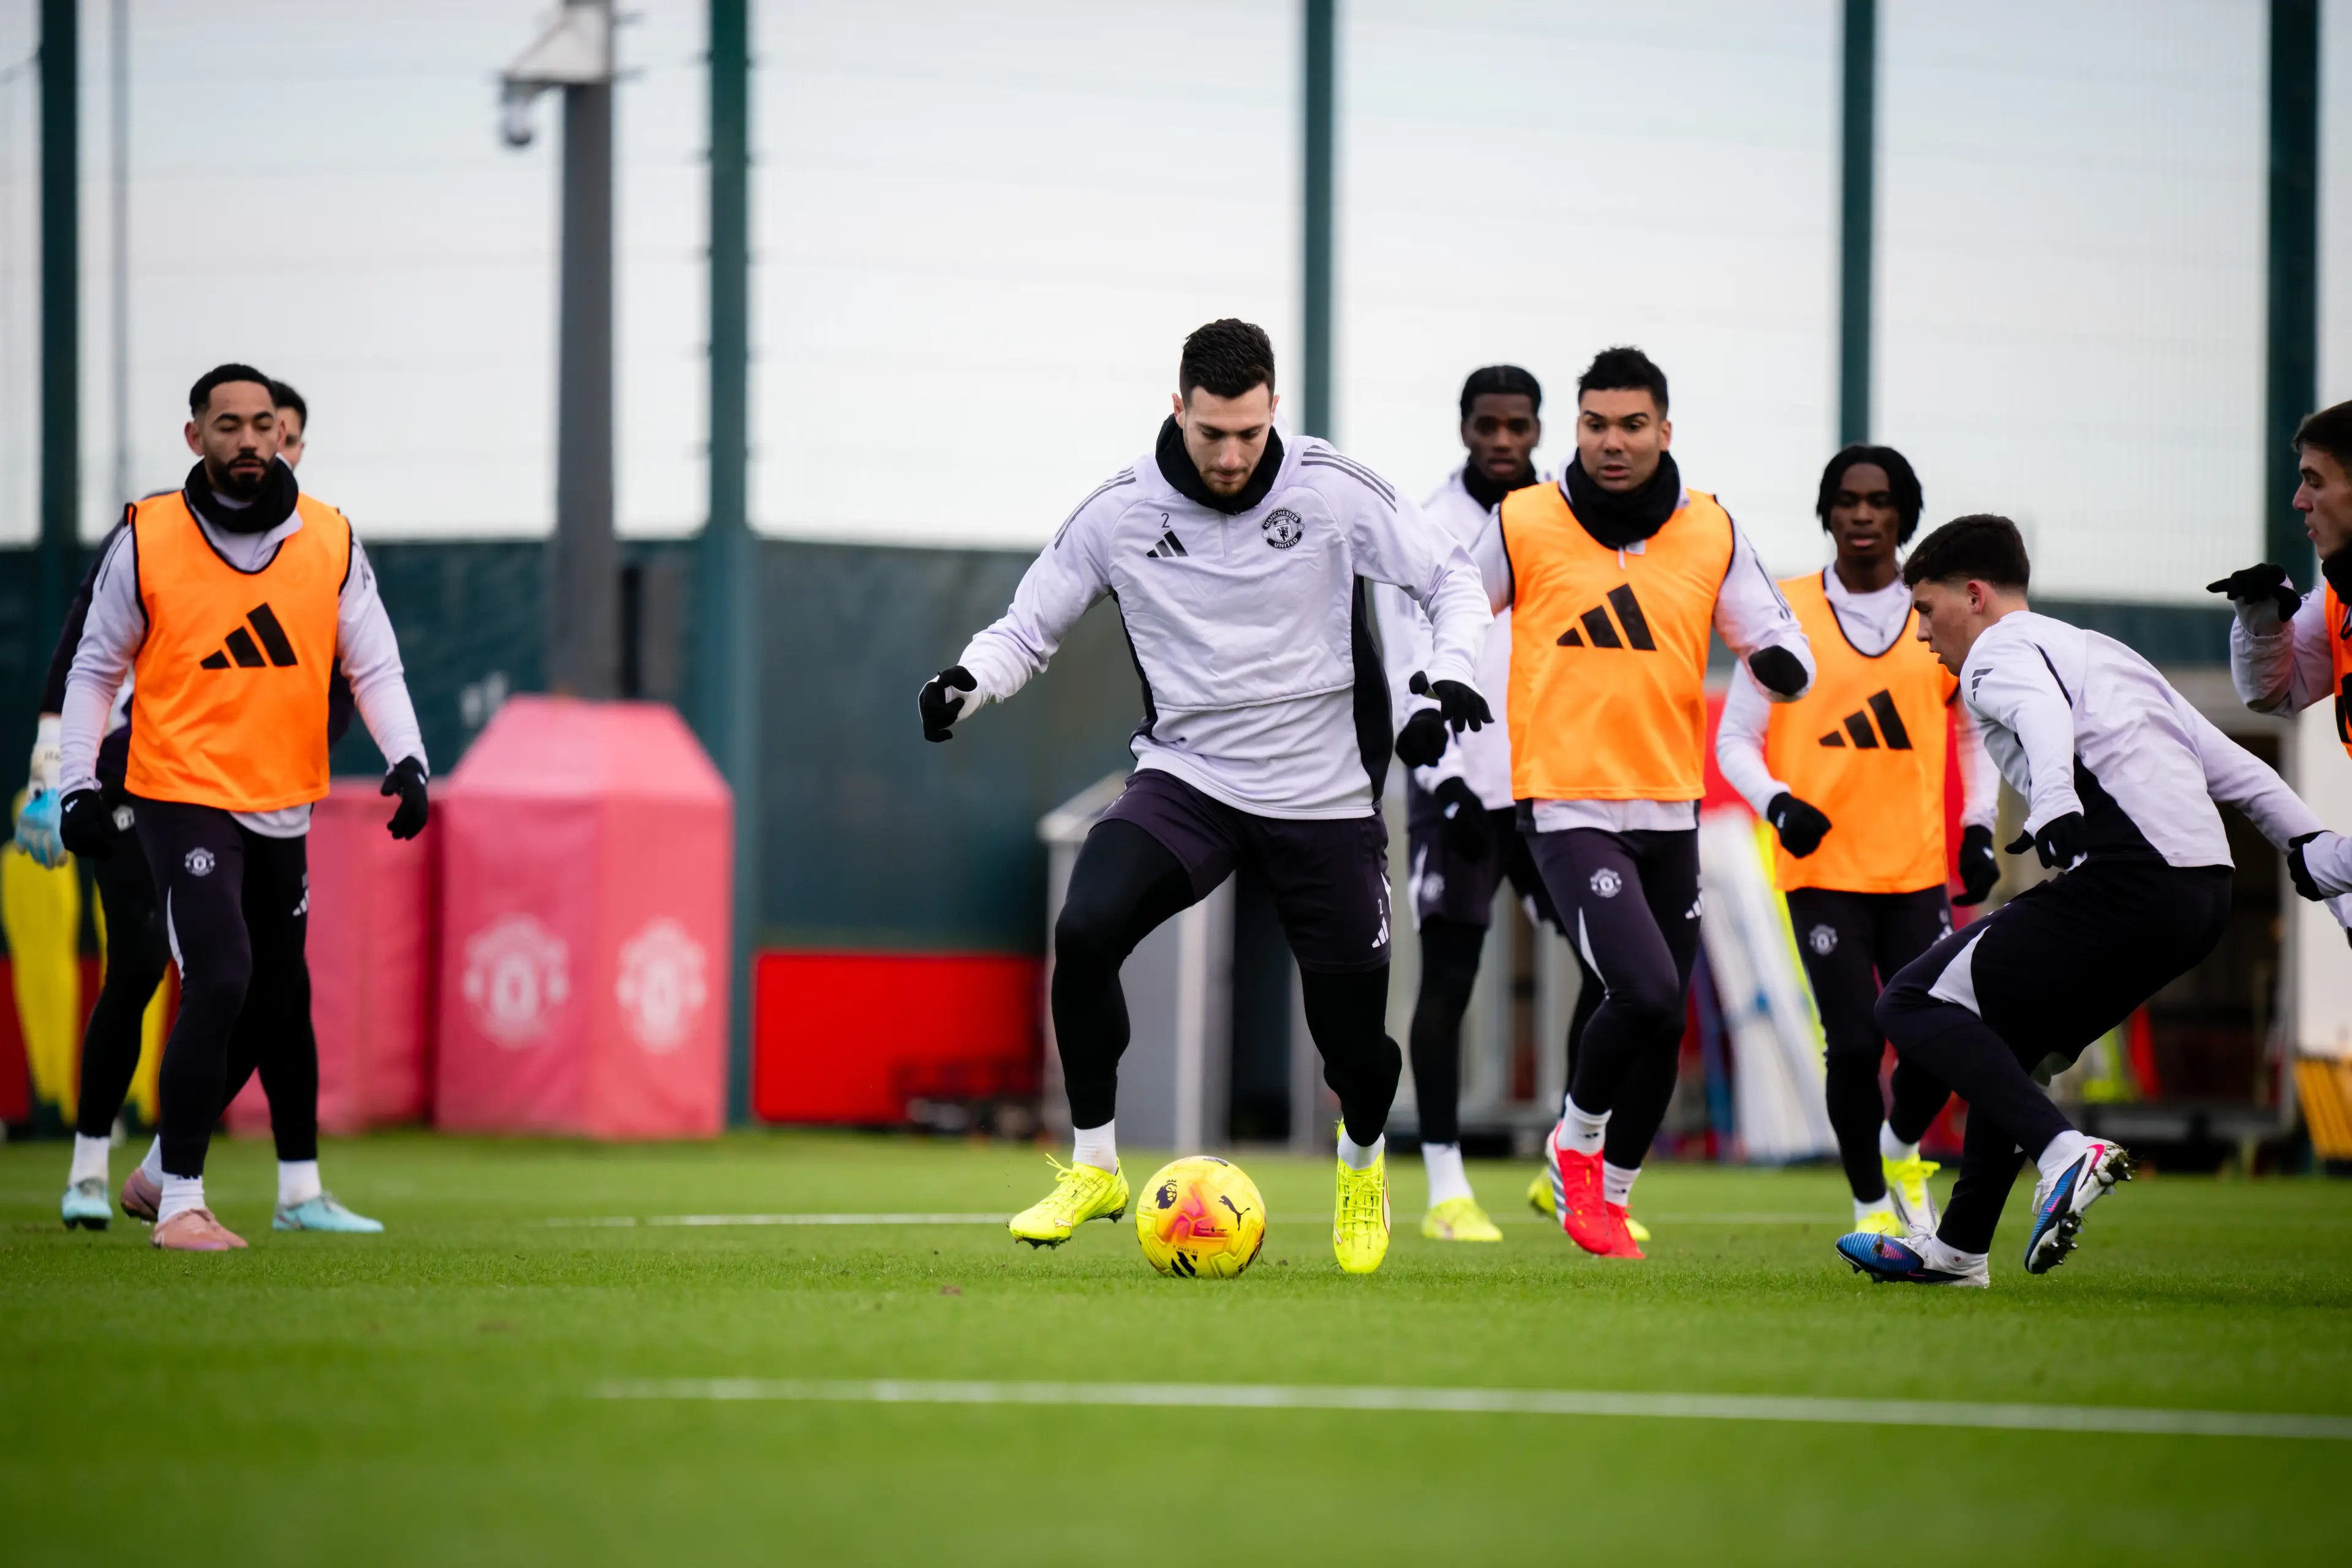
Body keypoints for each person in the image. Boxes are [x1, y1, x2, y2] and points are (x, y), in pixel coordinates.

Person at [921, 319, 1492, 1275]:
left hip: (1326, 793)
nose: (1231, 455)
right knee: (1089, 925)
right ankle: (1096, 1164)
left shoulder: (1333, 490)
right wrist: (968, 682)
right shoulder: (1119, 513)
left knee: (1353, 1048)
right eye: (1211, 433)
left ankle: (1362, 1163)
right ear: (1177, 411)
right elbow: (1028, 627)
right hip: (1191, 777)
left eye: (1249, 433)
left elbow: (1450, 578)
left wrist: (1449, 671)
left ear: (1276, 412)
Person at [1842, 516, 2350, 1287]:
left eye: (1925, 608)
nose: (1921, 632)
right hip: (2198, 900)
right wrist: (2310, 844)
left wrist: (2052, 804)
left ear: (1974, 596)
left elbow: (2042, 719)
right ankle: (1957, 1250)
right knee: (2005, 1041)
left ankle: (2062, 1152)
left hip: (2132, 880)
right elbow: (2231, 767)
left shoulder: (1994, 653)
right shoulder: (2108, 652)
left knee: (1907, 1003)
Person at [55, 363, 430, 1251]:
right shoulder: (149, 537)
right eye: (228, 425)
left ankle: (152, 1173)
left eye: (263, 423)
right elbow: (93, 669)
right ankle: (178, 1200)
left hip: (281, 800)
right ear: (196, 438)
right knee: (217, 973)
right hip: (177, 793)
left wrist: (409, 759)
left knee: (268, 1000)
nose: (250, 439)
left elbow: (373, 663)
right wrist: (72, 780)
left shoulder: (330, 538)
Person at [1472, 346, 1815, 1259]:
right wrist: (1442, 680)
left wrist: (1783, 667)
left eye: (1631, 426)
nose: (1612, 443)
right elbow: (1454, 602)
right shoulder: (1525, 520)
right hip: (1565, 799)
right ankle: (1574, 1147)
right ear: (1574, 429)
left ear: (1666, 432)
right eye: (1595, 425)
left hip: (1672, 806)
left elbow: (1776, 635)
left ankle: (1612, 1197)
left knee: (1664, 1023)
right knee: (1648, 986)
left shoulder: (1711, 530)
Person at [1714, 445, 1999, 1235]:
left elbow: (1976, 729)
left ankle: (1904, 1161)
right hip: (1822, 871)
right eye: (1848, 500)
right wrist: (1778, 804)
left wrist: (1977, 829)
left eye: (1879, 501)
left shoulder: (1935, 612)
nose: (1863, 514)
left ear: (1905, 513)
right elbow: (1736, 739)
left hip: (1915, 871)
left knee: (1933, 1040)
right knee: (1852, 1041)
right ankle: (1872, 1204)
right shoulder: (1783, 611)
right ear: (1828, 511)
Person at [1374, 365, 1618, 1243]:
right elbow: (1406, 652)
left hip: (1553, 785)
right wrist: (1438, 776)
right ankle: (1446, 1190)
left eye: (1519, 425)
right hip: (1457, 790)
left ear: (1541, 429)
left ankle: (1568, 1157)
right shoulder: (1422, 529)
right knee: (1449, 982)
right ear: (1466, 426)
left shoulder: (1562, 522)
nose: (1504, 440)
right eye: (1489, 425)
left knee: (1612, 973)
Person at [2209, 398, 2352, 919]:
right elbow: (2272, 694)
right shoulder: (2341, 597)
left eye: (2314, 481)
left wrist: (2340, 862)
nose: (2298, 500)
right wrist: (2264, 623)